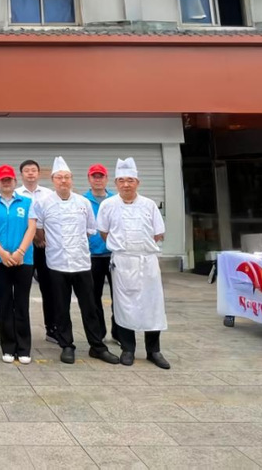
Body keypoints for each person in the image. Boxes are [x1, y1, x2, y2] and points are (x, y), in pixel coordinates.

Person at [35, 157, 120, 365]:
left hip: (82, 262)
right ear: (53, 180)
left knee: (90, 306)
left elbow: (91, 230)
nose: (63, 181)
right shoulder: (43, 203)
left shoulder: (83, 202)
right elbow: (38, 230)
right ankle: (66, 345)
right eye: (59, 177)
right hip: (56, 263)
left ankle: (97, 346)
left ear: (72, 179)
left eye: (66, 177)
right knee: (61, 307)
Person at [96, 158, 171, 370]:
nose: (126, 184)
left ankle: (153, 350)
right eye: (121, 180)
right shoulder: (108, 205)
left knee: (152, 305)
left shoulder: (149, 205)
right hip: (123, 261)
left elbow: (158, 233)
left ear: (137, 182)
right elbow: (104, 232)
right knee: (124, 305)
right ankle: (127, 348)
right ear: (116, 183)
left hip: (147, 261)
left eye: (130, 180)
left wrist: (141, 248)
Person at [0, 165, 36, 364]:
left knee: (21, 303)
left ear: (15, 182)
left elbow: (31, 228)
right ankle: (8, 347)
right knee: (5, 302)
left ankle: (24, 348)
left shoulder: (27, 202)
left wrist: (20, 252)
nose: (6, 183)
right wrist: (2, 253)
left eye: (9, 180)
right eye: (2, 180)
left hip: (23, 260)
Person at [16, 159, 58, 345]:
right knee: (21, 290)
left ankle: (52, 328)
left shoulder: (49, 194)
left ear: (39, 173)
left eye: (33, 170)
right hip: (23, 248)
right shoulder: (16, 194)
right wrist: (33, 238)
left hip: (43, 247)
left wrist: (43, 238)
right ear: (21, 174)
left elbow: (53, 219)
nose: (30, 173)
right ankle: (19, 330)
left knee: (49, 289)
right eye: (27, 170)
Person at [83, 163, 116, 344]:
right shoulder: (82, 201)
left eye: (100, 176)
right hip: (91, 256)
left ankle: (119, 333)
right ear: (89, 179)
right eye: (94, 176)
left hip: (114, 255)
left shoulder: (115, 200)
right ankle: (99, 333)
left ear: (106, 179)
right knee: (93, 297)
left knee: (118, 297)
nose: (97, 180)